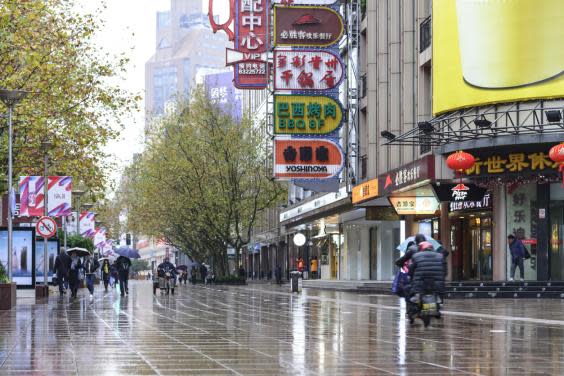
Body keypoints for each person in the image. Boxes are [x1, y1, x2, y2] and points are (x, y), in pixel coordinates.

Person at [407, 241, 446, 323]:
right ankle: (437, 308)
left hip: (420, 285)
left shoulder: (416, 256)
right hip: (436, 285)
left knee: (412, 296)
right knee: (438, 298)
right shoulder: (440, 256)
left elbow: (411, 270)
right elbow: (445, 271)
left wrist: (410, 276)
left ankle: (414, 312)